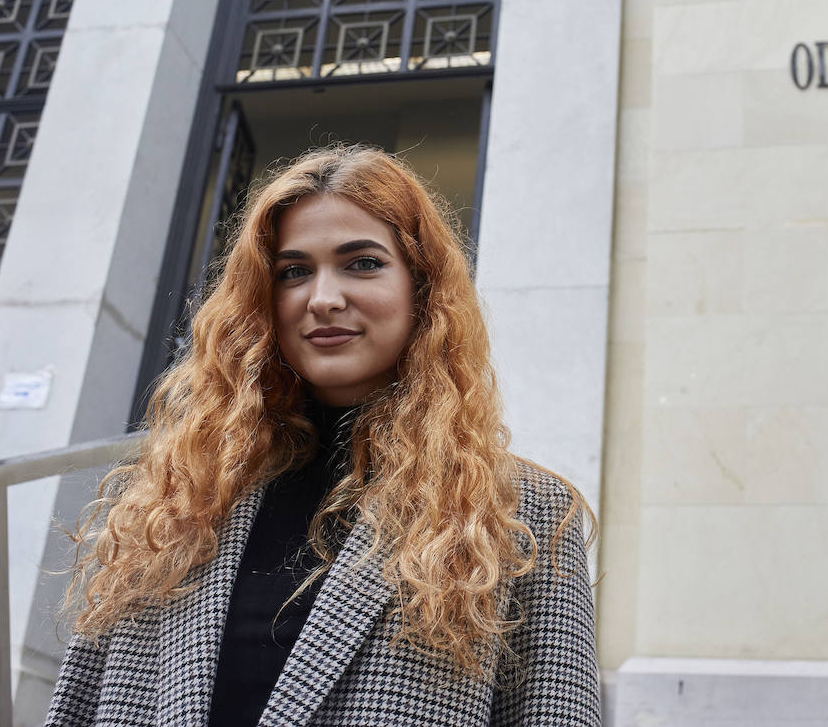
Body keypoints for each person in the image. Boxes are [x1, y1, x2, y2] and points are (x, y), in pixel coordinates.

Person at [45, 145, 600, 726]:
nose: (324, 298)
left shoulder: (522, 514)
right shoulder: (177, 497)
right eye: (293, 272)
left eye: (362, 263)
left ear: (423, 289)